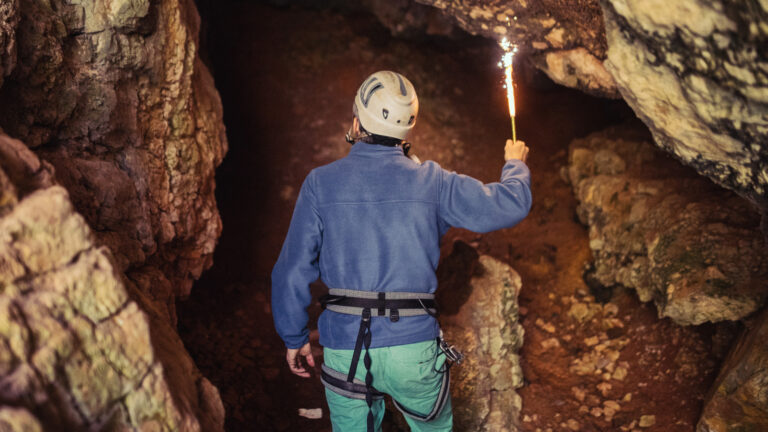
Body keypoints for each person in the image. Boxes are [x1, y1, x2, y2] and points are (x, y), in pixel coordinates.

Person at [272, 70, 531, 431]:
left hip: (346, 348)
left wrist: (294, 336)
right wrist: (515, 164)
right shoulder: (433, 180)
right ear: (407, 128)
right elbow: (509, 204)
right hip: (414, 346)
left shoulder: (320, 183)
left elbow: (292, 269)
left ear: (357, 119)